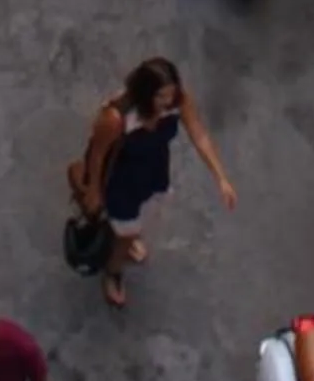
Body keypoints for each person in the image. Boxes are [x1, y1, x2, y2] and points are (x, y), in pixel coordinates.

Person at [69, 55, 236, 312]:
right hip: (120, 181)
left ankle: (125, 237)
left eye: (170, 94)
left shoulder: (178, 101)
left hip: (152, 170)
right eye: (160, 96)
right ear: (144, 93)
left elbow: (199, 134)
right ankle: (113, 270)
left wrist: (221, 177)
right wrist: (93, 189)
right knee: (126, 228)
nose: (167, 102)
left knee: (136, 220)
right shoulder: (117, 117)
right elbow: (98, 154)